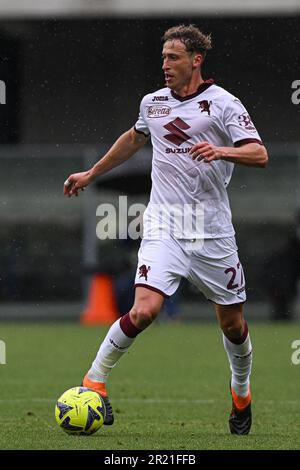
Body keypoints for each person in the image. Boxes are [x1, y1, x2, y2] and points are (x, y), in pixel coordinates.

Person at [63, 24, 268, 435]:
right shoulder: (152, 104)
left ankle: (240, 393)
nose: (165, 65)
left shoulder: (223, 103)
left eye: (173, 57)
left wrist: (221, 149)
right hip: (165, 225)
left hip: (212, 231)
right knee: (144, 310)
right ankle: (94, 382)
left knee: (232, 324)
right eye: (162, 57)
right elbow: (133, 138)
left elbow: (258, 153)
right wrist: (92, 173)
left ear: (196, 60)